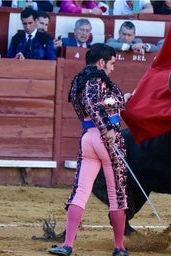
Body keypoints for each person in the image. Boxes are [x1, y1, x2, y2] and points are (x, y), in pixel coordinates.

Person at [47, 43, 130, 256]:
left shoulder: (79, 80)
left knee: (80, 192)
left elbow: (98, 104)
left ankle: (67, 245)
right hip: (107, 139)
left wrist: (125, 100)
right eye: (111, 63)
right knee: (117, 194)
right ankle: (119, 247)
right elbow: (93, 104)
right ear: (101, 62)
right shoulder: (96, 80)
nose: (112, 68)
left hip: (88, 139)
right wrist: (108, 129)